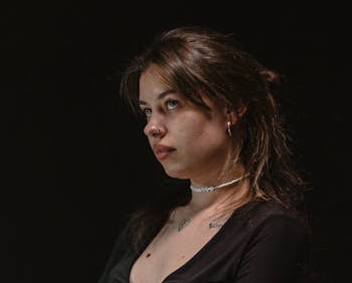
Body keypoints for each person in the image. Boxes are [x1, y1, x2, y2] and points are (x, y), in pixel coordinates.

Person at [97, 27, 311, 282]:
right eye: (148, 111)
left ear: (231, 108)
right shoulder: (145, 226)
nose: (151, 128)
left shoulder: (270, 229)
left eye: (172, 104)